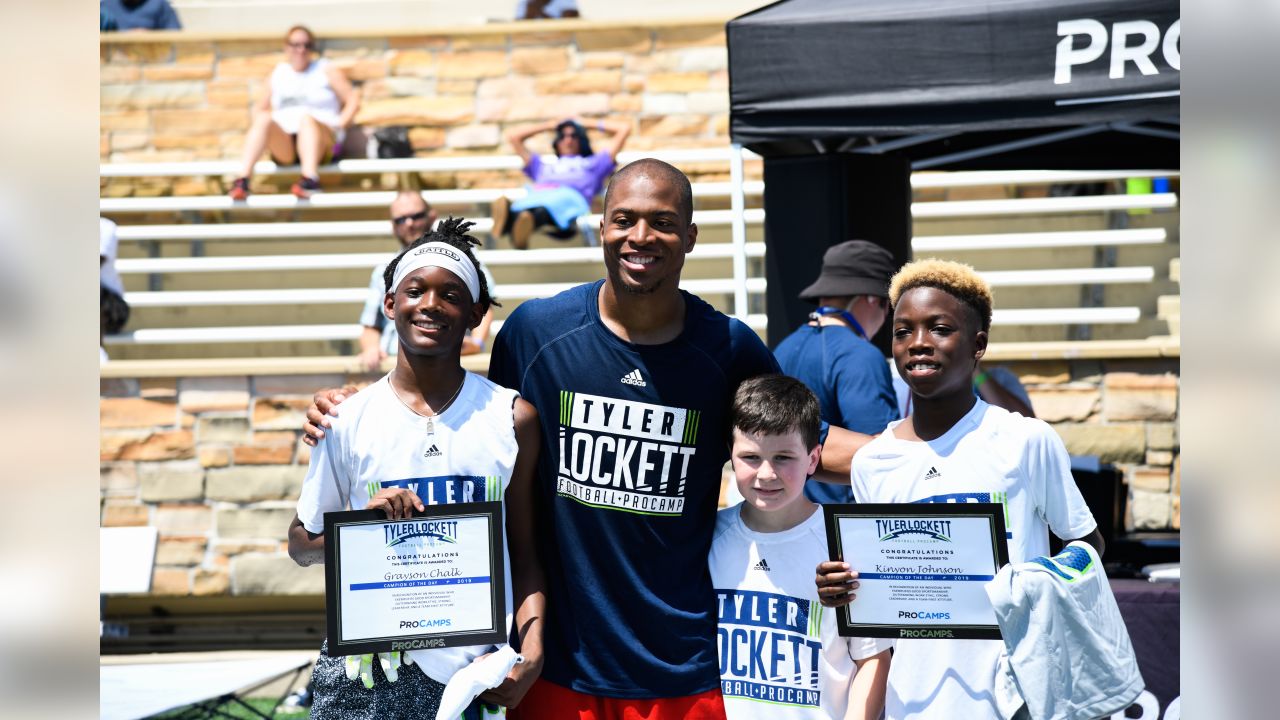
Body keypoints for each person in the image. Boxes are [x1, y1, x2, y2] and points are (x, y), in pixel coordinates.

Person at [305, 159, 872, 718]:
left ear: (691, 236)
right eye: (624, 219)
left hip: (683, 662)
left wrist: (921, 458)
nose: (640, 236)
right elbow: (467, 423)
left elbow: (802, 445)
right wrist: (364, 403)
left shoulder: (728, 348)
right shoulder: (536, 332)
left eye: (663, 222)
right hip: (559, 665)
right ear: (601, 227)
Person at [815, 259, 1105, 720]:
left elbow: (1086, 544)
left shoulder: (1025, 440)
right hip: (912, 698)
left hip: (1016, 696)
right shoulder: (874, 462)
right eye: (903, 331)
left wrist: (1033, 582)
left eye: (940, 329)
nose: (919, 344)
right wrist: (843, 588)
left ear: (978, 344)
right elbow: (879, 591)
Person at [287, 218, 545, 718]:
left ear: (474, 314)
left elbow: (526, 549)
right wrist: (364, 525)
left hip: (472, 674)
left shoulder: (511, 418)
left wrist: (532, 652)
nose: (430, 304)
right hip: (368, 675)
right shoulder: (346, 418)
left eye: (450, 295)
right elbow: (300, 544)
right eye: (415, 290)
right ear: (389, 304)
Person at [713, 375, 891, 719]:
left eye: (783, 457)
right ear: (730, 455)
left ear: (813, 459)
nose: (766, 474)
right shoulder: (709, 539)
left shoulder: (846, 545)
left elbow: (873, 659)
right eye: (751, 457)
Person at [772, 240, 899, 505]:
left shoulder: (784, 348)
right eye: (888, 305)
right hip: (840, 530)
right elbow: (882, 458)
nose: (887, 314)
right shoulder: (860, 356)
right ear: (873, 298)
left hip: (786, 517)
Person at [358, 192, 497, 371]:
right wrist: (371, 349)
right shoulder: (384, 270)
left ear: (431, 216)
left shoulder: (461, 258)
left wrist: (477, 343)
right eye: (401, 219)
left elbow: (486, 305)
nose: (409, 223)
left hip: (449, 362)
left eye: (416, 216)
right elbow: (371, 324)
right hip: (394, 365)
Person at [228, 25, 360, 201]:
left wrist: (340, 124)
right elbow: (260, 108)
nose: (301, 50)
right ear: (286, 47)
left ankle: (310, 179)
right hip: (287, 144)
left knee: (306, 120)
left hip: (322, 141)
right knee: (264, 119)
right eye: (296, 44)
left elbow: (352, 99)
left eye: (307, 45)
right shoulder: (279, 73)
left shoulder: (324, 69)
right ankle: (242, 180)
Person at [491, 118, 630, 249]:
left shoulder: (594, 163)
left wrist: (583, 122)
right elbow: (514, 137)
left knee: (544, 208)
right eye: (563, 136)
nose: (568, 140)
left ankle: (514, 226)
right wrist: (549, 125)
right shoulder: (543, 166)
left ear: (581, 140)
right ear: (557, 141)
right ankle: (515, 224)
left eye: (574, 136)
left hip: (567, 201)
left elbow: (623, 129)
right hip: (538, 196)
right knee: (527, 206)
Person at [100, 0, 181, 31]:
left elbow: (176, 39)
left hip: (152, 62)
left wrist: (148, 38)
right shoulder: (105, 7)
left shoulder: (160, 5)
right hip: (114, 64)